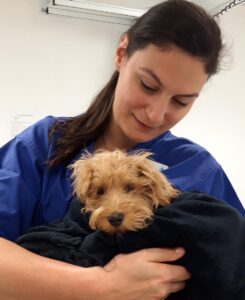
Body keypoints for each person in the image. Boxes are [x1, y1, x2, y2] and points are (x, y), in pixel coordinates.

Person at [0, 0, 244, 299]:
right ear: (120, 55)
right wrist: (100, 286)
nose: (155, 114)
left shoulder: (200, 169)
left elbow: (234, 260)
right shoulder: (44, 144)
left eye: (181, 101)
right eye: (148, 85)